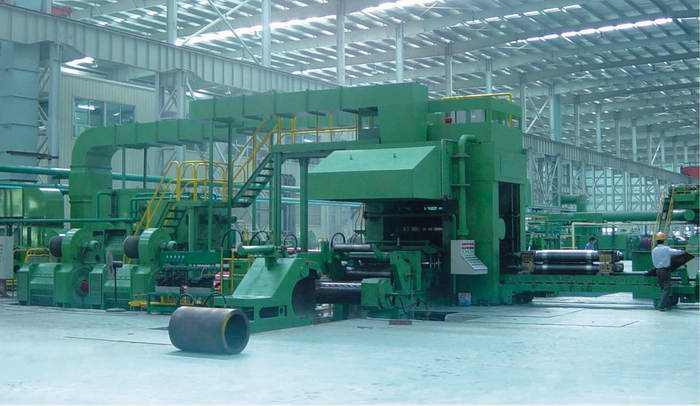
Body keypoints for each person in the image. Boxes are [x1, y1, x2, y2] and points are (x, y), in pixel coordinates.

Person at [651, 232, 684, 311]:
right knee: (667, 288)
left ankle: (666, 303)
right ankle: (661, 306)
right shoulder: (666, 249)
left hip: (658, 270)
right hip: (665, 271)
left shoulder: (654, 250)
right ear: (664, 240)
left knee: (662, 287)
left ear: (656, 241)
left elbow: (654, 261)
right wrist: (683, 251)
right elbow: (676, 252)